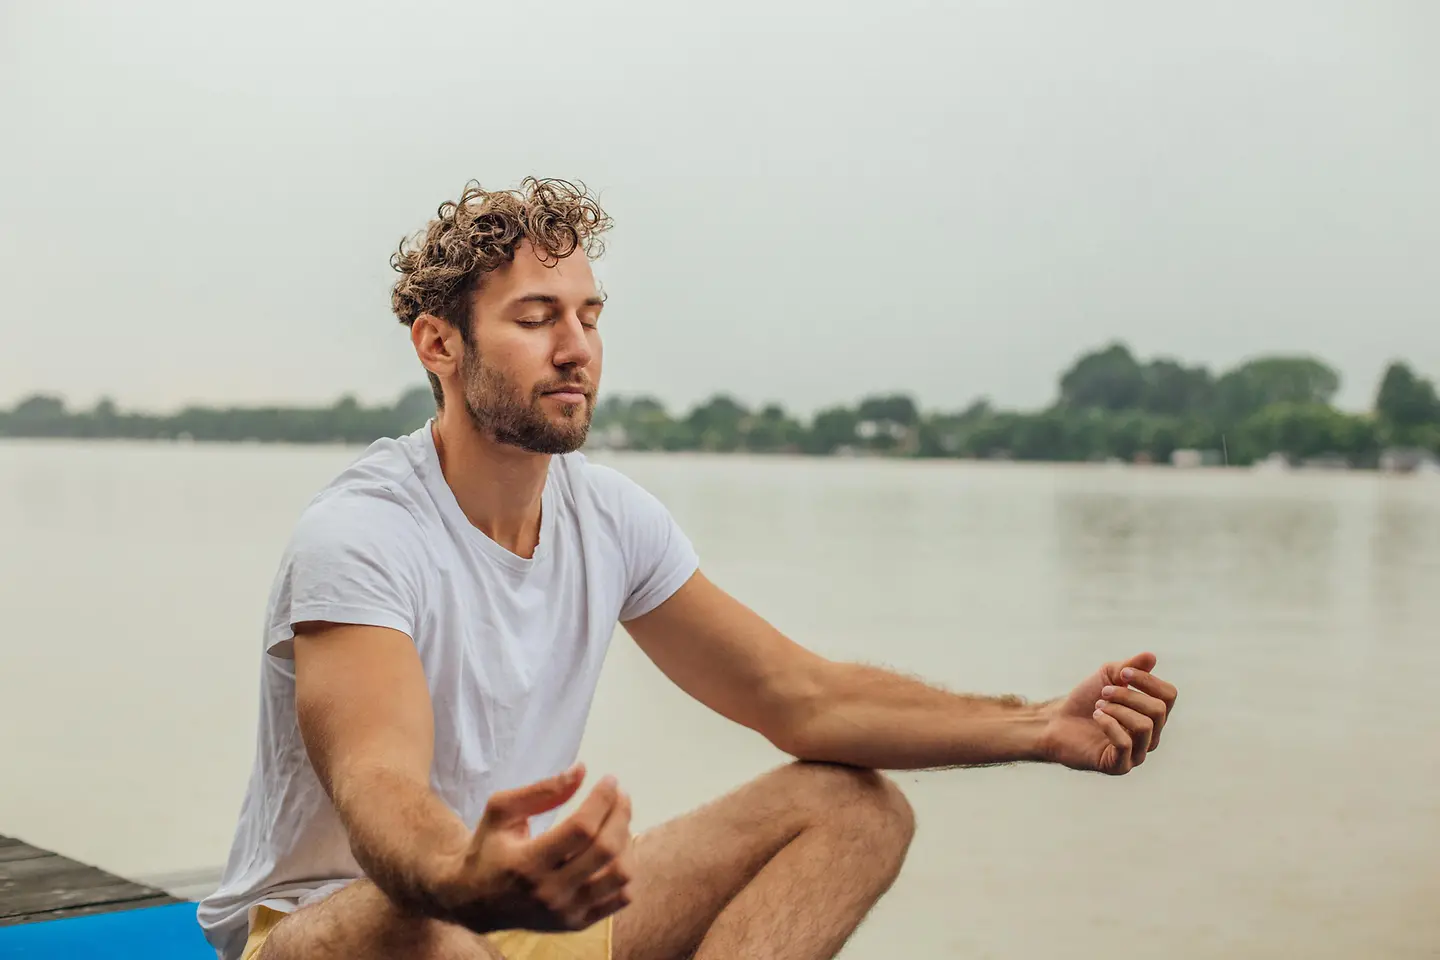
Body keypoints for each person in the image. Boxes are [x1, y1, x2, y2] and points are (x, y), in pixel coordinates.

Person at [195, 178, 1179, 960]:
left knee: (853, 808)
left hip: (510, 924)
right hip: (344, 933)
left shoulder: (611, 518)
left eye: (589, 314)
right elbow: (379, 783)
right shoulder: (361, 534)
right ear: (438, 344)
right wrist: (463, 875)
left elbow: (803, 698)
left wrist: (1041, 724)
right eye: (537, 317)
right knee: (429, 933)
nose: (577, 348)